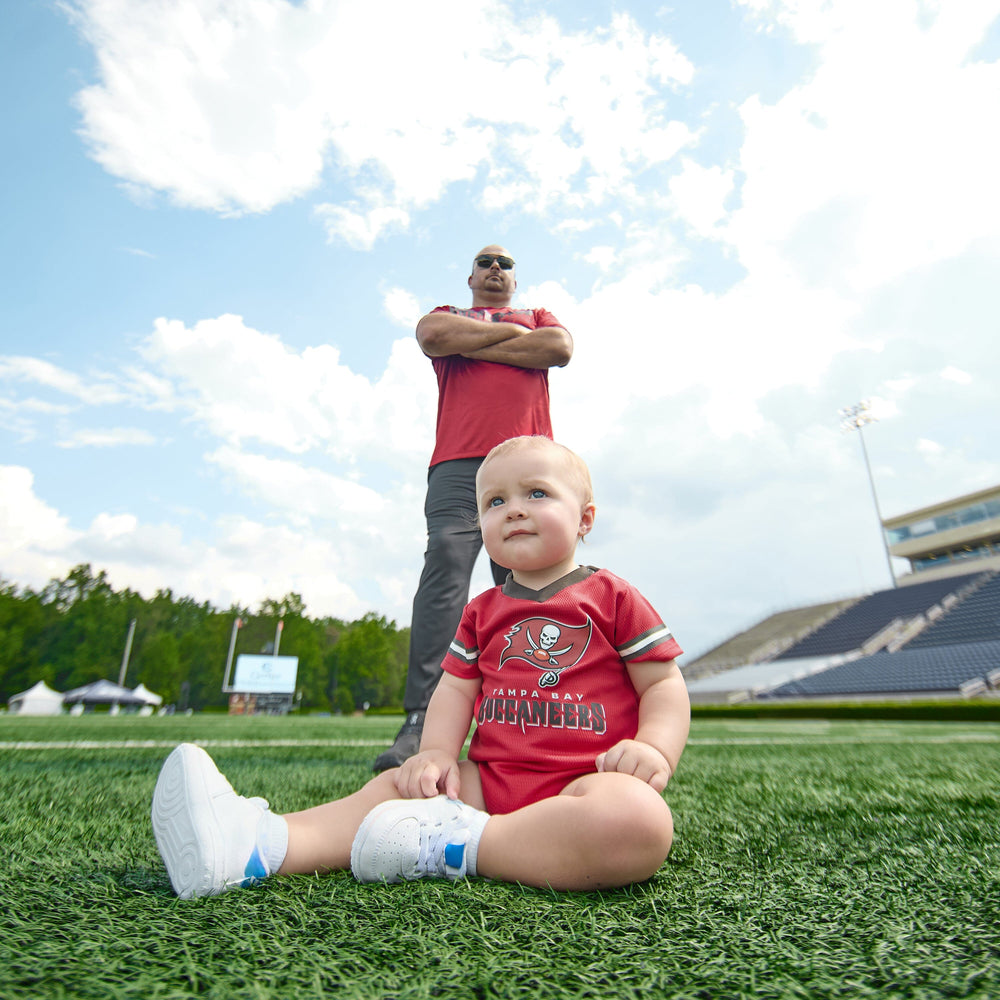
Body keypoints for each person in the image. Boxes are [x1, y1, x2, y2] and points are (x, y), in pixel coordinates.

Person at [151, 436, 691, 896]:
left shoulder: (612, 596)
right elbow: (454, 691)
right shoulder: (483, 611)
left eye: (537, 493)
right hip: (490, 785)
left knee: (638, 821)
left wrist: (653, 748)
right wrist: (435, 754)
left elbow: (662, 684)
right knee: (398, 787)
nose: (515, 509)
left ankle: (454, 846)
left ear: (585, 520)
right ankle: (256, 844)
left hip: (585, 786)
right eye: (495, 501)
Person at [373, 246, 573, 771]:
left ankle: (531, 717)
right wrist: (514, 341)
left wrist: (482, 346)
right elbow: (433, 338)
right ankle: (422, 719)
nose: (495, 269)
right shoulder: (449, 317)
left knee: (529, 577)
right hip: (458, 464)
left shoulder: (539, 318)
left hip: (526, 463)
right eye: (486, 262)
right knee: (445, 560)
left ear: (514, 277)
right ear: (470, 276)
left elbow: (558, 348)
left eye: (506, 264)